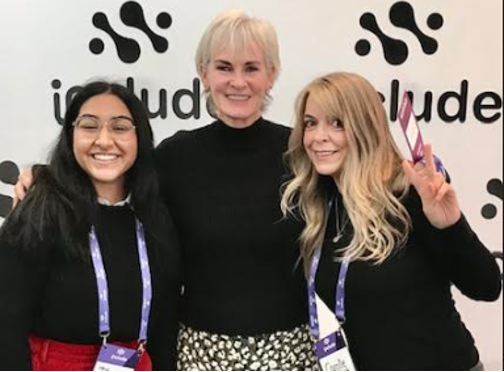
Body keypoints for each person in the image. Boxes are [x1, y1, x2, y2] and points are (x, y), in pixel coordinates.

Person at [13, 10, 318, 371]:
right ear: (203, 74)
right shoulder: (175, 156)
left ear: (272, 74)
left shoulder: (303, 154)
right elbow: (110, 171)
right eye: (223, 67)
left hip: (291, 352)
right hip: (197, 352)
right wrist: (45, 175)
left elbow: (360, 182)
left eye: (251, 68)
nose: (238, 81)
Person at [281, 72, 502, 371]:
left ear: (365, 127)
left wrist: (450, 225)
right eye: (310, 123)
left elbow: (487, 287)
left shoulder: (409, 194)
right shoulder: (322, 203)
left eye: (337, 123)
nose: (318, 136)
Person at [0, 81, 181, 371]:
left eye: (120, 127)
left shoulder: (155, 215)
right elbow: (6, 320)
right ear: (71, 135)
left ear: (140, 138)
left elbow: (165, 324)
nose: (105, 140)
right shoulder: (42, 210)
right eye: (89, 126)